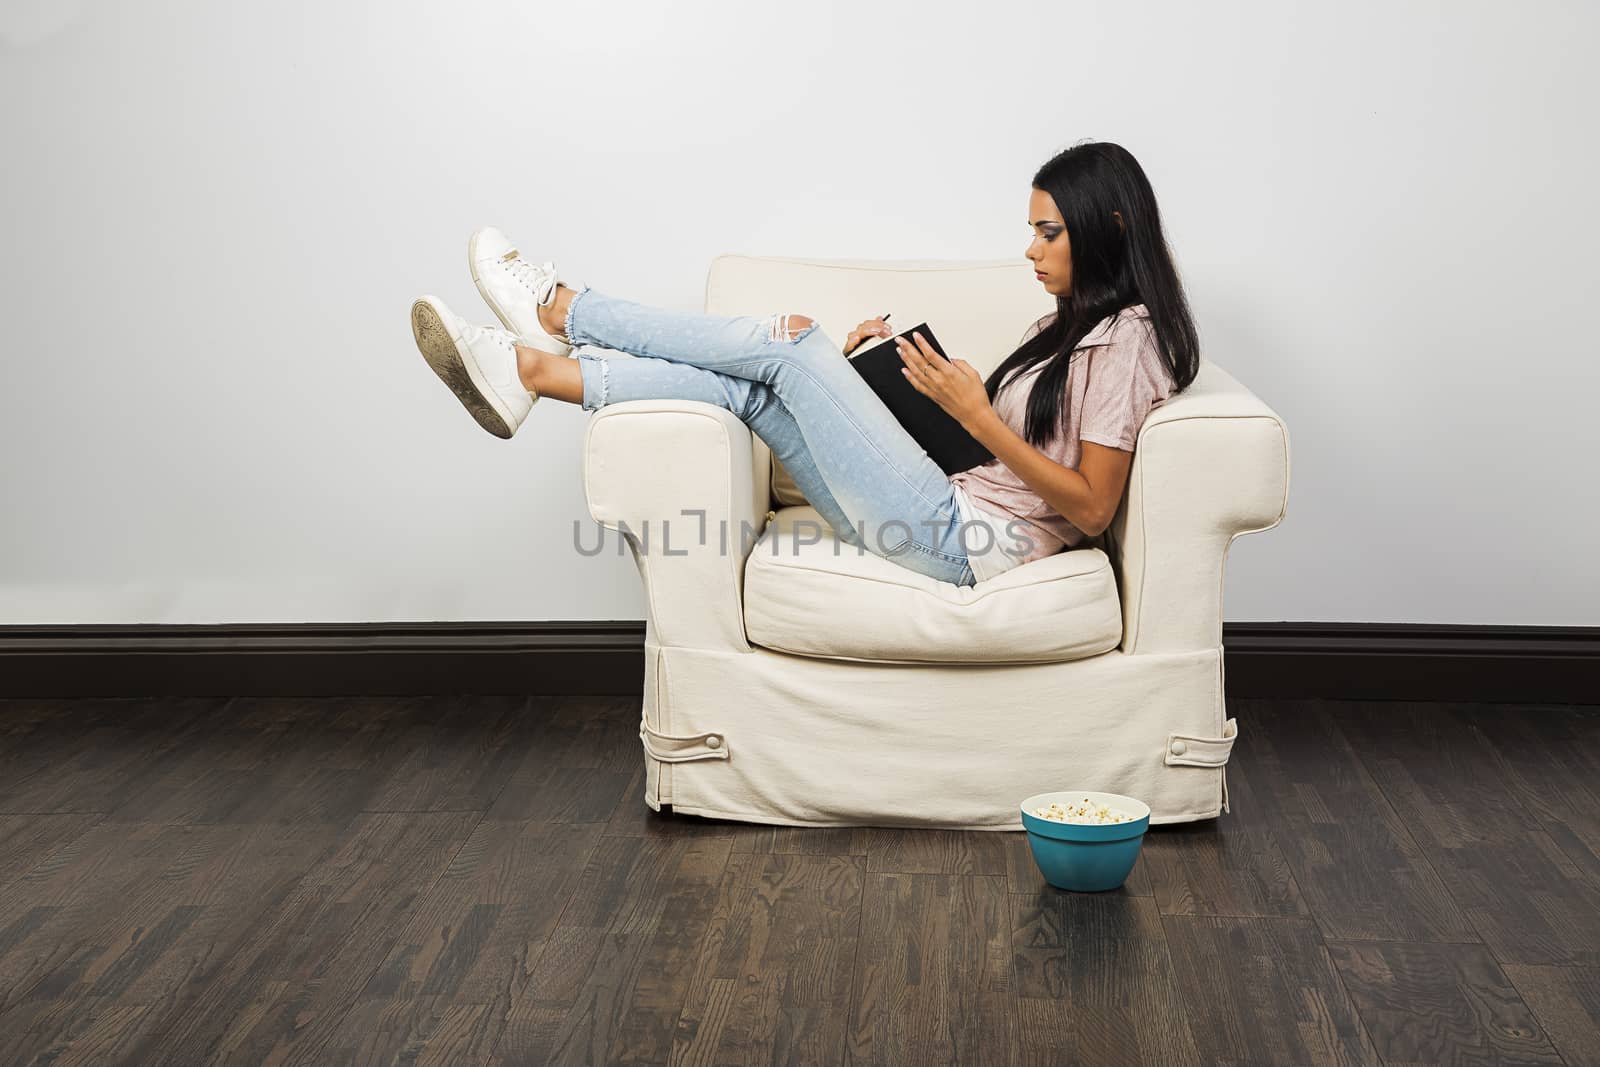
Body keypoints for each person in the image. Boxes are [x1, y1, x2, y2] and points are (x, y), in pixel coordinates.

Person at [409, 140, 1200, 588]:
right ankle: (535, 375)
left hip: (964, 539)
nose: (1029, 248)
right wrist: (881, 377)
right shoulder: (1064, 327)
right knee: (758, 390)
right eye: (1031, 229)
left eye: (1048, 231)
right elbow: (978, 449)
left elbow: (1094, 508)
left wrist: (978, 415)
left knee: (789, 346)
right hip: (941, 505)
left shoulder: (1127, 340)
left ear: (1111, 225)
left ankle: (561, 309)